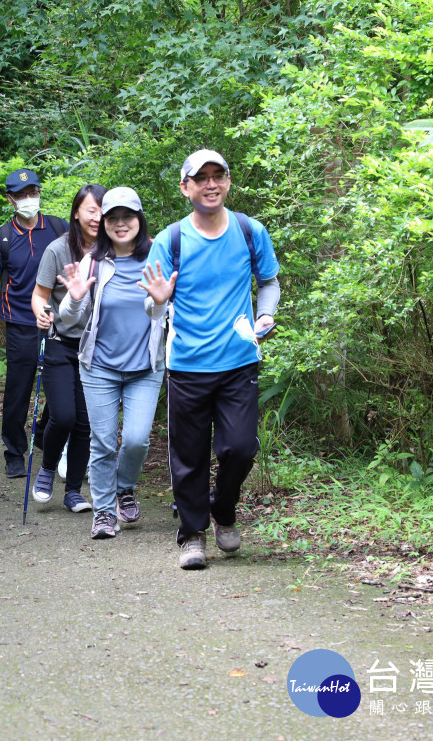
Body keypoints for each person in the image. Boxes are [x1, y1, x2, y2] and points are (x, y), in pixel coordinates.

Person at [146, 150, 280, 571]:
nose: (210, 184)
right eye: (199, 178)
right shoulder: (171, 240)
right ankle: (191, 535)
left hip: (239, 360)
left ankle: (223, 509)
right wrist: (159, 302)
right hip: (186, 364)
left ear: (227, 181)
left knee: (239, 448)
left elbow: (269, 281)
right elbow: (150, 309)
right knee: (189, 456)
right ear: (185, 187)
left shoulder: (248, 230)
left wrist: (266, 313)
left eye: (217, 175)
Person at [57, 187, 171, 540]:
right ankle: (104, 512)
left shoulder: (158, 256)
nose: (121, 224)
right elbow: (68, 318)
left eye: (128, 217)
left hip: (146, 365)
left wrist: (158, 302)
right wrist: (75, 299)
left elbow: (160, 311)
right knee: (103, 442)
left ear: (139, 219)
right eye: (113, 218)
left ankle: (125, 487)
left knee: (136, 440)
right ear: (103, 222)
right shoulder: (93, 261)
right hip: (99, 366)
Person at [0, 168, 68, 479]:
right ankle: (15, 451)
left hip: (59, 320)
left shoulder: (58, 228)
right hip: (20, 323)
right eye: (21, 194)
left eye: (33, 192)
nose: (29, 199)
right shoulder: (2, 239)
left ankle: (43, 432)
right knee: (19, 390)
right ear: (10, 199)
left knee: (62, 387)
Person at [29, 184, 103, 512]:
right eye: (91, 210)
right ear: (76, 212)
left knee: (86, 423)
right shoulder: (58, 250)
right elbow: (39, 295)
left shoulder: (113, 250)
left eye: (103, 210)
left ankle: (73, 491)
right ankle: (46, 469)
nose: (97, 217)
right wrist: (41, 314)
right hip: (60, 343)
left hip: (96, 348)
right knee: (63, 416)